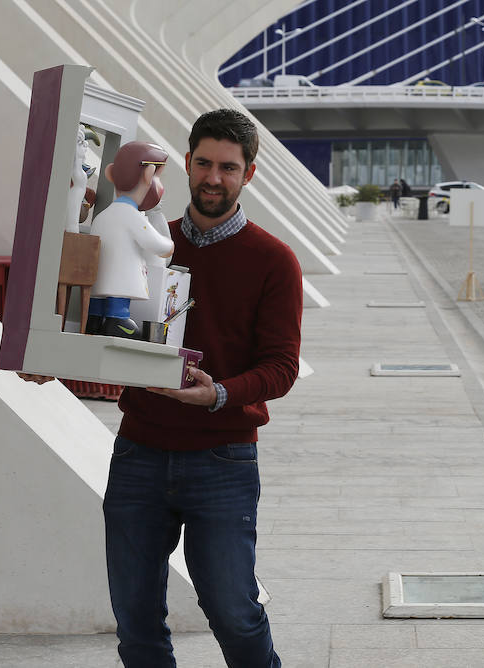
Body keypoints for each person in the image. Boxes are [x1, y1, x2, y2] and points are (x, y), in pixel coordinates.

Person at [23, 109, 302, 667]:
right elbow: (101, 325)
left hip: (222, 460)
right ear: (187, 162)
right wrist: (57, 358)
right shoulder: (152, 241)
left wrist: (217, 393)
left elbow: (280, 368)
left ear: (249, 174)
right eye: (203, 163)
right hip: (139, 453)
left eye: (228, 167)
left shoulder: (274, 261)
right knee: (136, 621)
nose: (213, 178)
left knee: (234, 613)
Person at [86, 141, 174, 339]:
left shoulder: (102, 216)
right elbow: (156, 245)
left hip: (96, 280)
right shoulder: (131, 216)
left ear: (110, 174)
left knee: (100, 295)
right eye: (158, 178)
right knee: (118, 298)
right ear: (148, 175)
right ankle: (118, 322)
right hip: (119, 277)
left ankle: (93, 320)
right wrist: (169, 245)